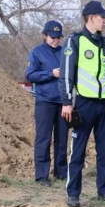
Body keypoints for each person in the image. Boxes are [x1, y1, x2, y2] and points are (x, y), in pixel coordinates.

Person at [59, 1, 105, 207]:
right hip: (84, 103)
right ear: (91, 18)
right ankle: (73, 193)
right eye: (102, 17)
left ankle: (104, 191)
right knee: (78, 150)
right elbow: (66, 74)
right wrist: (67, 102)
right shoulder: (75, 41)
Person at [26, 20, 68, 187]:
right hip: (45, 101)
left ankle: (61, 172)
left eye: (58, 37)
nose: (55, 40)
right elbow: (30, 75)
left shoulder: (65, 52)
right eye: (52, 37)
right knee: (43, 138)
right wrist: (50, 73)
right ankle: (42, 175)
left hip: (63, 101)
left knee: (62, 138)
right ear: (45, 36)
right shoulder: (37, 52)